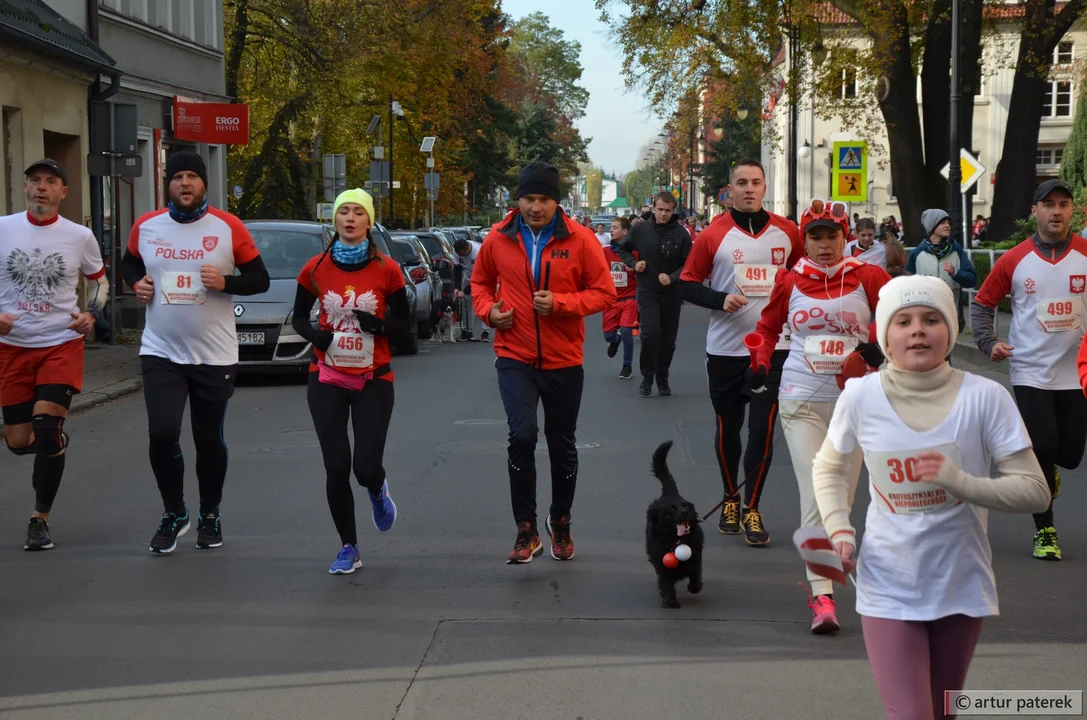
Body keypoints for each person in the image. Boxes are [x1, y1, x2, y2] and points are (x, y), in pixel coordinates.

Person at [813, 275, 1049, 719]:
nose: (917, 329)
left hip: (960, 583)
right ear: (885, 334)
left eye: (931, 319)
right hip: (888, 582)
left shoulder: (987, 398)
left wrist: (960, 482)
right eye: (903, 321)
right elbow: (830, 466)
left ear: (951, 331)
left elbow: (1036, 492)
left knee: (943, 712)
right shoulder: (861, 397)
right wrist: (839, 530)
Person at [749, 198, 890, 632]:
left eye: (832, 236)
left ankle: (831, 568)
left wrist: (873, 346)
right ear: (804, 241)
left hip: (855, 404)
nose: (825, 245)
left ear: (845, 237)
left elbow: (900, 320)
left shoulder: (868, 275)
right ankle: (822, 597)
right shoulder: (790, 280)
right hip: (800, 399)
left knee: (842, 501)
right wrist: (758, 362)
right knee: (816, 494)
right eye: (816, 236)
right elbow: (768, 329)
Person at [122, 151, 270, 554]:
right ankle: (174, 512)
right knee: (162, 432)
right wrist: (137, 285)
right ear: (168, 184)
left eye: (192, 176)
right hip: (161, 350)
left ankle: (210, 512)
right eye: (177, 177)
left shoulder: (227, 227)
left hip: (214, 354)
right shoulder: (147, 226)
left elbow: (260, 280)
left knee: (208, 440)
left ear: (204, 184)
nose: (184, 183)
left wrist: (225, 282)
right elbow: (129, 266)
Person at [470, 161, 616, 564]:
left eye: (544, 199)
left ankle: (561, 520)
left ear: (557, 201)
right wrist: (488, 312)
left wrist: (563, 304)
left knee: (562, 444)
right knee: (521, 435)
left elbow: (604, 293)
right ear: (517, 199)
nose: (536, 207)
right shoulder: (499, 238)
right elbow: (480, 283)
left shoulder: (582, 240)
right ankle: (526, 528)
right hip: (514, 354)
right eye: (529, 198)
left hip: (564, 358)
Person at [677, 158, 804, 545]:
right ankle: (730, 497)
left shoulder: (788, 233)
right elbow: (686, 284)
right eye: (741, 183)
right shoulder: (713, 235)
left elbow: (805, 280)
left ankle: (752, 507)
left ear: (765, 188)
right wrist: (720, 299)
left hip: (775, 349)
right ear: (728, 190)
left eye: (756, 182)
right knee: (728, 430)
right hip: (726, 350)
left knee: (761, 432)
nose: (749, 189)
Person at [291, 188, 409, 574]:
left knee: (365, 467)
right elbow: (298, 318)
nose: (350, 218)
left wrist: (380, 325)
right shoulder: (315, 267)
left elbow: (405, 328)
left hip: (374, 377)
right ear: (335, 221)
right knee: (336, 465)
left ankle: (377, 489)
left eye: (358, 212)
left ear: (368, 222)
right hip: (326, 376)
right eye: (344, 212)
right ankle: (349, 547)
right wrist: (316, 337)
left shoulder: (388, 269)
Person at [971, 178, 1087, 561]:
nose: (1057, 211)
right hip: (1030, 371)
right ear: (1034, 211)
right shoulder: (1014, 258)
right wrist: (989, 342)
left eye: (1064, 204)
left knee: (1068, 455)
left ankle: (1048, 470)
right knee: (1042, 449)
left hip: (1077, 373)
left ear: (1073, 211)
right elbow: (983, 304)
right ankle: (1045, 529)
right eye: (1048, 204)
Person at [0, 159, 107, 551]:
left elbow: (99, 282)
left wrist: (91, 314)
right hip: (11, 349)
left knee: (45, 429)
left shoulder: (80, 236)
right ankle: (53, 441)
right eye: (34, 181)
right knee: (16, 441)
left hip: (60, 344)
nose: (41, 187)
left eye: (50, 182)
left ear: (64, 192)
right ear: (25, 188)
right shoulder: (2, 229)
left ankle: (39, 519)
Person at [619, 191, 692, 397]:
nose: (663, 214)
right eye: (660, 209)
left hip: (671, 293)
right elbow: (622, 249)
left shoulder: (681, 234)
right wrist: (634, 263)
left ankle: (663, 378)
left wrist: (673, 277)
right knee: (650, 333)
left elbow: (688, 264)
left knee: (668, 339)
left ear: (673, 210)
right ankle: (647, 375)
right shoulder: (641, 229)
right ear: (653, 207)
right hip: (647, 289)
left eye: (667, 211)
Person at [907, 210, 977, 330]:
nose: (947, 226)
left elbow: (972, 280)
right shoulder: (917, 254)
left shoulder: (956, 251)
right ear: (932, 226)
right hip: (923, 320)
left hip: (950, 318)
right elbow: (907, 287)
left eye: (948, 223)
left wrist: (955, 273)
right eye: (942, 223)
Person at [603, 216, 638, 378]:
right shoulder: (605, 251)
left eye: (615, 227)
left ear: (625, 232)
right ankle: (614, 341)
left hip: (629, 297)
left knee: (626, 331)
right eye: (611, 227)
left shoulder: (635, 252)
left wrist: (635, 269)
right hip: (611, 300)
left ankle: (627, 366)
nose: (611, 230)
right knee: (609, 335)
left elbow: (645, 270)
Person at [453, 237, 486, 342]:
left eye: (462, 254)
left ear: (467, 249)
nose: (460, 256)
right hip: (468, 276)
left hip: (485, 277)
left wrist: (465, 291)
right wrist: (457, 288)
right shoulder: (456, 251)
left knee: (483, 303)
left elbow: (478, 276)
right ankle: (467, 332)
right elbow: (457, 269)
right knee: (466, 304)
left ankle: (485, 332)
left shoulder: (478, 253)